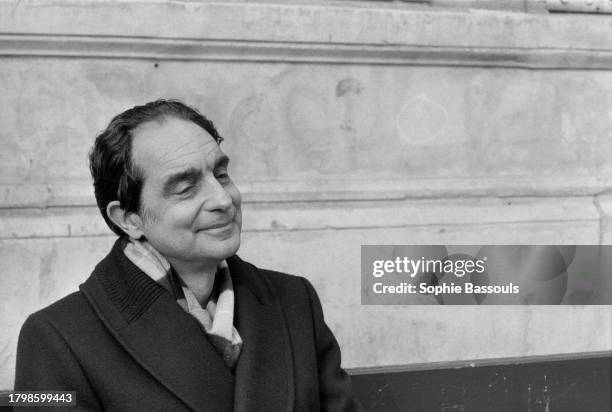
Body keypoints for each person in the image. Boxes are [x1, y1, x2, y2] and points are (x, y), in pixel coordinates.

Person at [14, 99, 363, 411]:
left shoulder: (294, 302)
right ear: (128, 218)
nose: (223, 200)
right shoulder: (54, 337)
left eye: (221, 174)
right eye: (186, 187)